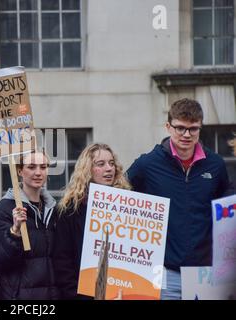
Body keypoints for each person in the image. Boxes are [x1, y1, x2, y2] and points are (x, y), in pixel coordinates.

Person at [126, 98, 231, 300]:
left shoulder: (215, 165)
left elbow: (225, 211)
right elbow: (118, 198)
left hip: (205, 273)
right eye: (180, 128)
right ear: (168, 126)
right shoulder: (147, 164)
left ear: (200, 128)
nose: (186, 135)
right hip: (164, 272)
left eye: (193, 129)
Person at [53, 143, 131, 299]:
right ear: (87, 170)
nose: (109, 168)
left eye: (111, 163)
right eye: (100, 164)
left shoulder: (128, 206)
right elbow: (62, 262)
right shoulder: (70, 210)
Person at [0, 151, 59, 300]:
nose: (38, 172)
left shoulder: (53, 210)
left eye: (43, 167)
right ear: (19, 171)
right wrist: (14, 232)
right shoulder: (4, 209)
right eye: (31, 167)